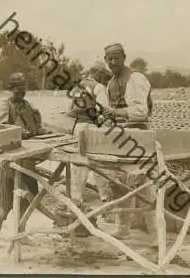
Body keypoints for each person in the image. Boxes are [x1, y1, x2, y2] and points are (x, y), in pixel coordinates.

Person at [0, 72, 49, 253]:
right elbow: (2, 128)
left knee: (29, 195)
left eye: (23, 90)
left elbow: (36, 127)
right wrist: (20, 132)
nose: (20, 94)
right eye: (17, 91)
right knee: (2, 199)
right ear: (10, 90)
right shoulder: (4, 106)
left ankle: (20, 230)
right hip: (8, 159)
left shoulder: (29, 107)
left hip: (27, 158)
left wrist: (45, 131)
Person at [100, 43, 158, 246]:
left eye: (116, 58)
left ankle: (155, 234)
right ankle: (123, 229)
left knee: (142, 183)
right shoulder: (111, 83)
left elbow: (141, 112)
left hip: (137, 136)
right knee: (118, 182)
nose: (113, 62)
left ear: (124, 57)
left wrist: (115, 113)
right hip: (118, 136)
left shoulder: (136, 78)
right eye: (109, 59)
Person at [68, 76, 112, 203]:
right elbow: (102, 109)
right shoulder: (98, 87)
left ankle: (77, 196)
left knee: (79, 162)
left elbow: (71, 110)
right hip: (92, 127)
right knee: (99, 160)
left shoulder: (76, 87)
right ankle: (104, 195)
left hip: (78, 127)